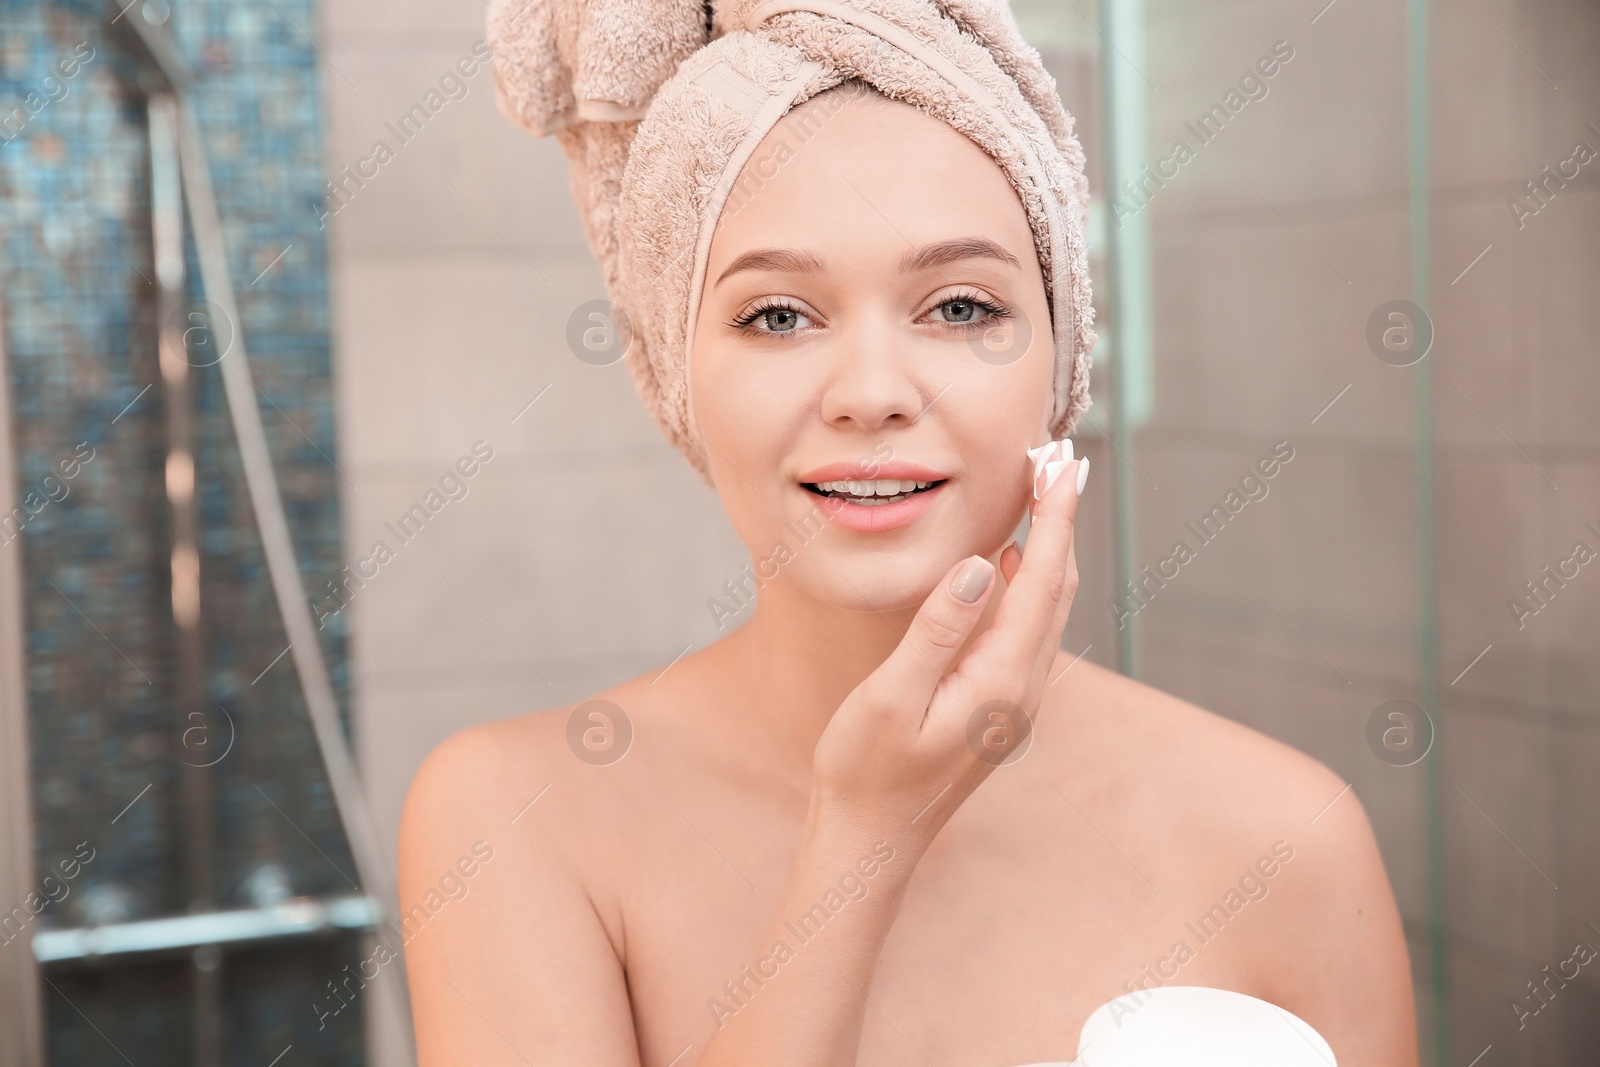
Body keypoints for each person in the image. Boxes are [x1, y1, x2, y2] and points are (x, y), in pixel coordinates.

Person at [398, 3, 1417, 1064]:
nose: (872, 394)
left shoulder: (1285, 833)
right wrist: (863, 842)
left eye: (961, 306)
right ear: (675, 376)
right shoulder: (516, 822)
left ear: (1063, 364)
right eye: (778, 315)